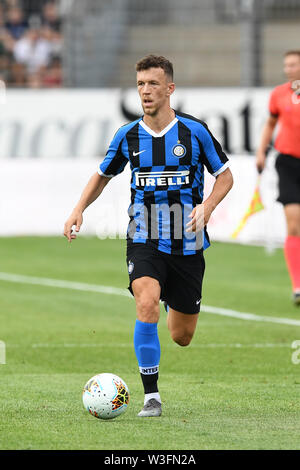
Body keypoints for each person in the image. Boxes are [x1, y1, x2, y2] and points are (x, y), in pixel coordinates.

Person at [64, 55, 233, 417]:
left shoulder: (194, 131)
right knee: (146, 303)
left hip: (187, 243)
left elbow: (225, 176)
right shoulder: (127, 136)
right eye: (140, 84)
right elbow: (102, 175)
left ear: (169, 89)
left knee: (181, 337)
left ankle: (174, 298)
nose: (145, 91)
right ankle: (151, 396)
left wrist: (207, 208)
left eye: (153, 84)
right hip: (143, 236)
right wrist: (79, 208)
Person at [256, 50, 300, 306]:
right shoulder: (278, 94)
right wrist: (262, 151)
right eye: (286, 65)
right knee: (293, 223)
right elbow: (271, 124)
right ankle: (297, 285)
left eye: (293, 64)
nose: (288, 69)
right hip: (288, 163)